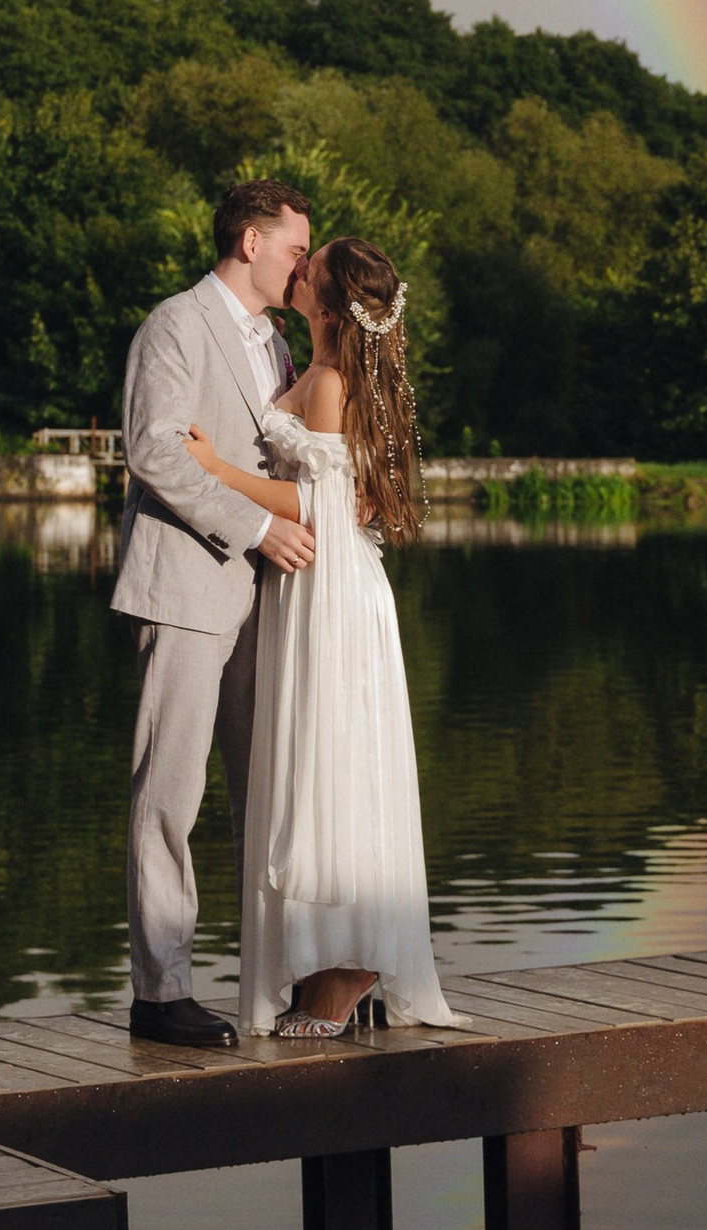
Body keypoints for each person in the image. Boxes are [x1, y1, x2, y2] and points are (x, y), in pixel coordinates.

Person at [182, 235, 459, 1040]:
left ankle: (349, 965)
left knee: (331, 763)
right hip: (319, 587)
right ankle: (333, 958)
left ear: (330, 304)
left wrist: (217, 470)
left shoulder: (333, 380)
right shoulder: (316, 371)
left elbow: (323, 505)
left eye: (312, 265)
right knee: (321, 763)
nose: (297, 269)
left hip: (332, 589)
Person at [111, 179, 319, 1047]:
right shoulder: (174, 324)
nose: (304, 264)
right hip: (189, 587)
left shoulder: (276, 343)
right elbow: (153, 448)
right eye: (296, 249)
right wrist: (257, 526)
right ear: (248, 241)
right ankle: (160, 995)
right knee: (171, 794)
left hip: (264, 597)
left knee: (266, 794)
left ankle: (274, 980)